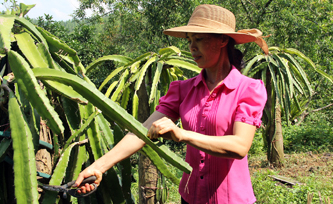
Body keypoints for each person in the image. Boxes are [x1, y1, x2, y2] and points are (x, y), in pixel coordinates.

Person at [74, 4, 268, 204]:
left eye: (199, 39)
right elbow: (142, 131)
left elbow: (240, 146)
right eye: (189, 40)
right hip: (189, 198)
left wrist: (181, 134)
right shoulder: (183, 89)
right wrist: (99, 166)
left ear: (223, 40)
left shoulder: (248, 89)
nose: (192, 47)